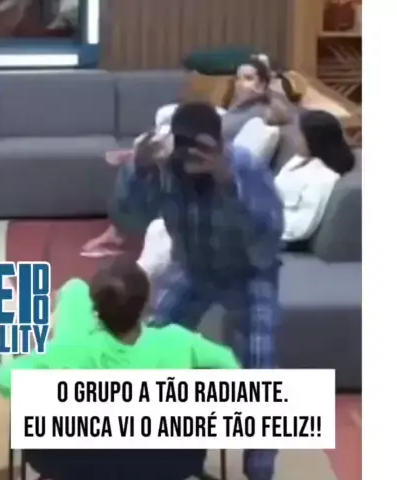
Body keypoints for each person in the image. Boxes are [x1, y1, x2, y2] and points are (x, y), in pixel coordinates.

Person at [111, 102, 283, 480]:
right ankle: (159, 454)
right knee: (149, 345)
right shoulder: (165, 169)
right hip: (193, 268)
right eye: (185, 144)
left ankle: (259, 470)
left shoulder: (246, 167)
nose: (192, 155)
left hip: (250, 273)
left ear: (219, 143)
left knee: (260, 369)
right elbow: (128, 219)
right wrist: (138, 170)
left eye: (201, 146)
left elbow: (267, 240)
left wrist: (227, 183)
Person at [81, 55, 287, 258]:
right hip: (193, 150)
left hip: (204, 161)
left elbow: (282, 114)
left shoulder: (260, 112)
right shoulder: (237, 107)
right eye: (238, 78)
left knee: (135, 167)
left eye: (248, 78)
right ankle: (121, 226)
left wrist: (271, 90)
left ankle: (119, 230)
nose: (240, 83)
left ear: (262, 85)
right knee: (139, 163)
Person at [0, 258, 239, 397]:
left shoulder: (67, 352)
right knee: (75, 290)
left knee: (75, 289)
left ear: (95, 311)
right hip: (164, 464)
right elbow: (233, 367)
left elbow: (4, 380)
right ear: (146, 306)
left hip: (78, 463)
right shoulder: (179, 342)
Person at [276, 109, 355, 242]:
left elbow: (300, 228)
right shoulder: (298, 160)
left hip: (278, 236)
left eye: (300, 136)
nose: (296, 140)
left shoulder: (323, 179)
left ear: (313, 140)